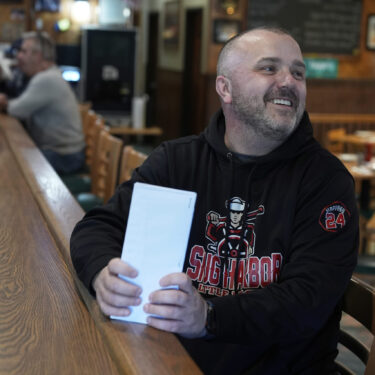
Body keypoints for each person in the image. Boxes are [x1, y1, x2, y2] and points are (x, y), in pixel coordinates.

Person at [70, 27, 358, 374]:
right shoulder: (178, 162)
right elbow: (99, 225)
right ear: (225, 88)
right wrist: (102, 271)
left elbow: (308, 301)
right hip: (172, 359)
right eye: (269, 68)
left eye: (298, 72)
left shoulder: (326, 181)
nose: (289, 81)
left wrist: (208, 317)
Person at [0, 31, 85, 175]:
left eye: (23, 51)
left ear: (37, 55)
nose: (18, 56)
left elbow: (17, 109)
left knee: (12, 167)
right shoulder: (48, 75)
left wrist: (3, 102)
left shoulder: (46, 79)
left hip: (65, 156)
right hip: (62, 152)